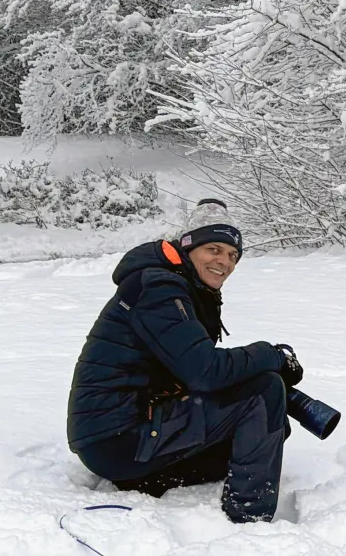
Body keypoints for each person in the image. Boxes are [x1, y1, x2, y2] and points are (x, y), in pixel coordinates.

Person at [67, 199, 303, 523]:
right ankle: (250, 520)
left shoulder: (180, 285)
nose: (225, 262)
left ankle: (146, 480)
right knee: (264, 392)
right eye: (214, 250)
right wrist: (269, 355)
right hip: (117, 438)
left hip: (116, 436)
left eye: (232, 255)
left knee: (267, 424)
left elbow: (191, 367)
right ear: (189, 247)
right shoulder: (159, 287)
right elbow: (204, 371)